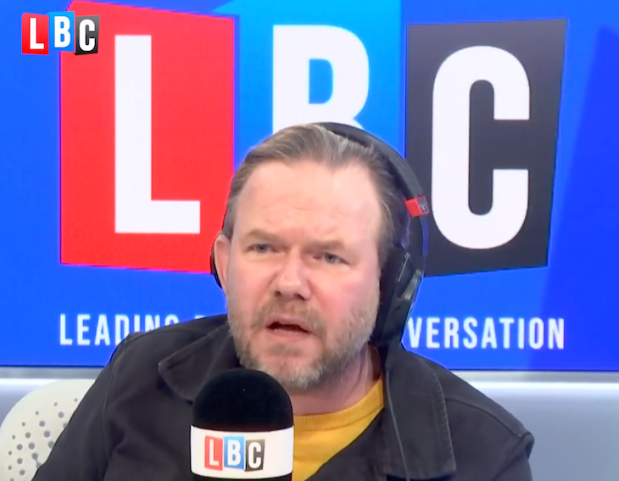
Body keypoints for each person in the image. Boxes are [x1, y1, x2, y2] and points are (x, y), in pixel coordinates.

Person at [33, 123, 534, 481]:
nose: (290, 282)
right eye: (264, 248)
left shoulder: (483, 454)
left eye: (329, 257)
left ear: (388, 283)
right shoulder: (139, 378)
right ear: (224, 264)